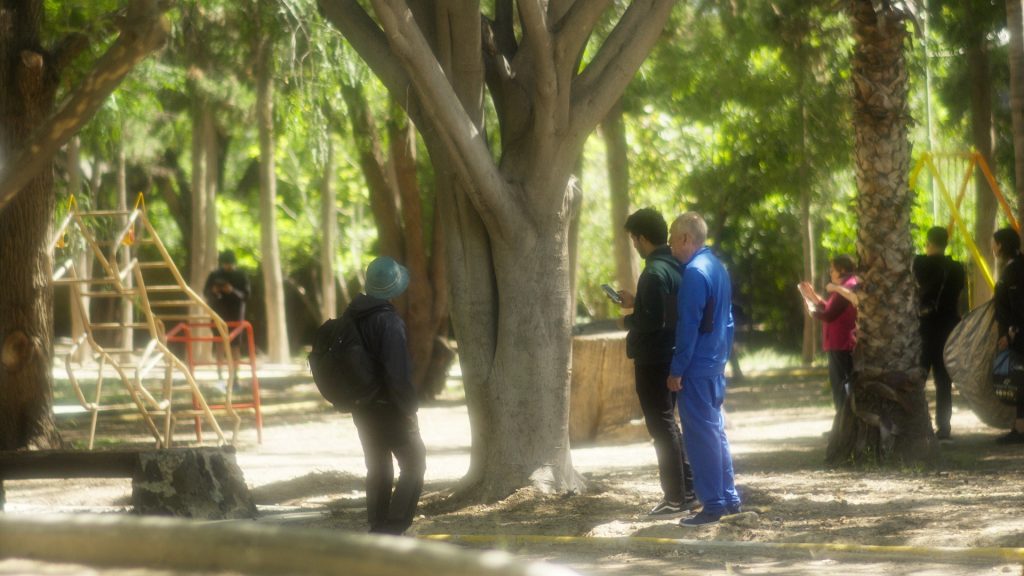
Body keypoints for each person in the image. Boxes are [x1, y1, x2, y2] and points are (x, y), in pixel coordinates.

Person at [616, 208, 697, 517]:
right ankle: (688, 490)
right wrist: (636, 302)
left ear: (642, 238)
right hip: (673, 355)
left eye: (634, 239)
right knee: (670, 424)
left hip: (653, 359)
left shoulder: (652, 273)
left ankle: (674, 497)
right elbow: (667, 310)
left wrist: (627, 320)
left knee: (661, 427)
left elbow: (653, 320)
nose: (634, 244)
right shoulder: (676, 267)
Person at [666, 212, 742, 528]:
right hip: (714, 364)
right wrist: (721, 357)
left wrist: (677, 369)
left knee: (700, 438)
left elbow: (688, 326)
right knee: (715, 433)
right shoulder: (717, 268)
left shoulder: (695, 273)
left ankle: (712, 505)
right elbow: (728, 321)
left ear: (686, 238)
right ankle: (728, 498)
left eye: (672, 239)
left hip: (697, 367)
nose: (670, 246)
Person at [345, 256, 425, 534]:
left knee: (378, 466)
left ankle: (377, 526)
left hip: (361, 406)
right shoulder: (388, 322)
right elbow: (397, 374)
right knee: (414, 463)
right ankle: (393, 528)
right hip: (389, 407)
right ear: (394, 289)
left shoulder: (351, 316)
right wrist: (409, 409)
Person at [912, 226, 965, 440]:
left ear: (928, 243)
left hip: (923, 327)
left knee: (918, 377)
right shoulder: (956, 268)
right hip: (947, 328)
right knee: (943, 380)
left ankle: (914, 422)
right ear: (946, 243)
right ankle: (944, 426)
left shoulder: (919, 264)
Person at [800, 255, 859, 413]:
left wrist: (812, 311)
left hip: (842, 344)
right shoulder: (842, 287)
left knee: (841, 387)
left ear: (842, 270)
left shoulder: (847, 286)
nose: (830, 273)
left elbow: (829, 315)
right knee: (840, 386)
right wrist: (813, 298)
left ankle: (844, 422)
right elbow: (830, 309)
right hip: (838, 344)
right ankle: (843, 421)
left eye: (832, 270)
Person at [992, 228, 1024, 444]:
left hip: (1019, 334)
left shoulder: (1015, 271)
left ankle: (1020, 429)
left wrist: (1010, 333)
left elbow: (1018, 307)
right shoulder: (1015, 266)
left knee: (1018, 377)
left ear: (1001, 245)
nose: (992, 248)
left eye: (994, 243)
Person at [203, 250, 250, 382]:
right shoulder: (214, 275)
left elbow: (246, 296)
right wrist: (214, 291)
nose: (227, 266)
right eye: (225, 264)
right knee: (219, 344)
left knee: (235, 346)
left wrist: (232, 291)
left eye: (229, 264)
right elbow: (206, 292)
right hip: (218, 313)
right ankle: (220, 376)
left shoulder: (241, 275)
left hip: (235, 315)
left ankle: (235, 376)